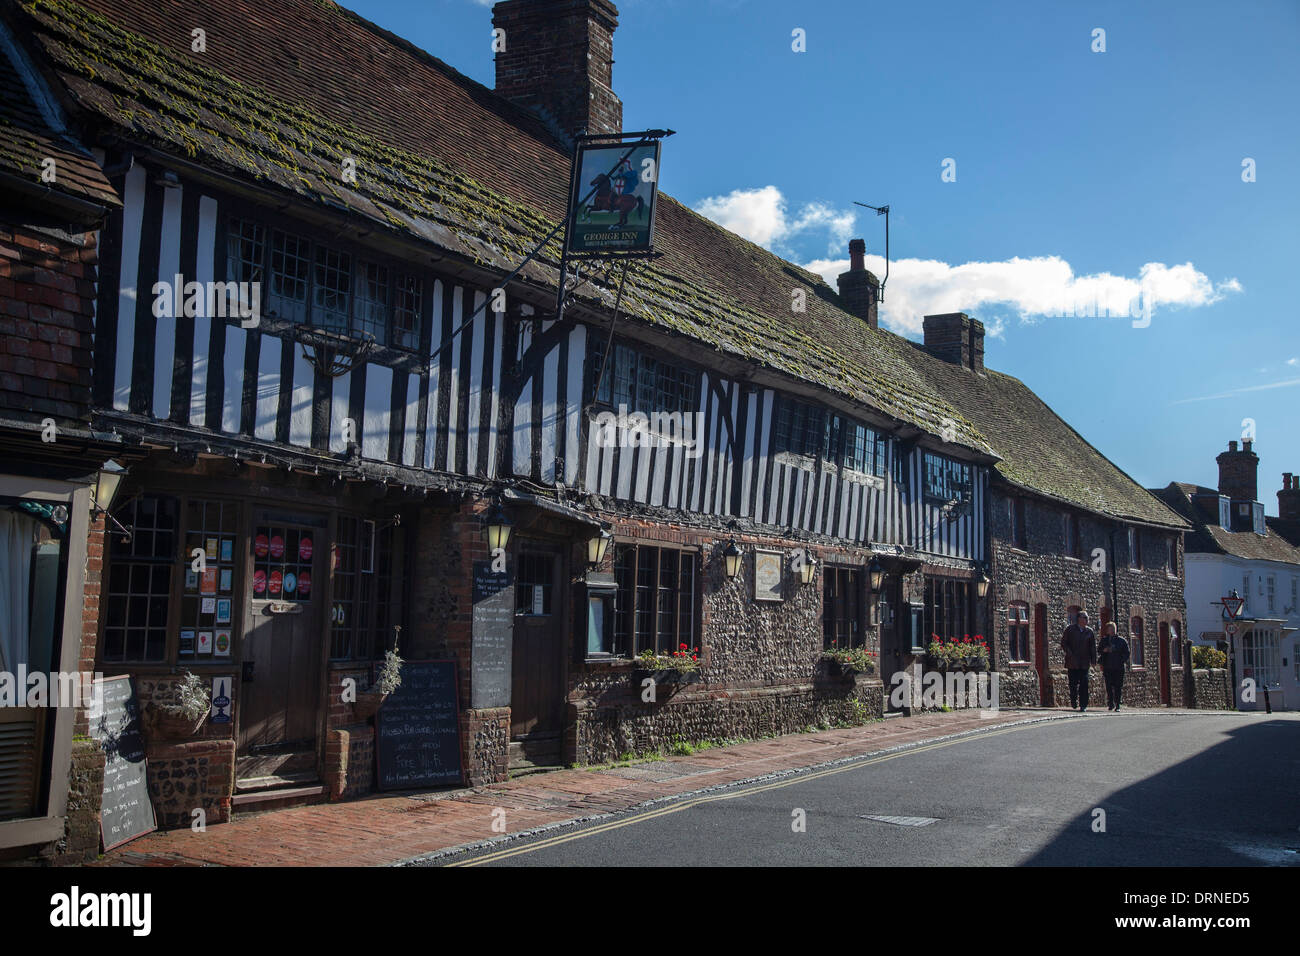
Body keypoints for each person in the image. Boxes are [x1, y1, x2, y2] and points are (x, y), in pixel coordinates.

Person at [1060, 611, 1097, 711]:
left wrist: (1094, 660)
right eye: (1084, 617)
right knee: (1073, 684)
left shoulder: (1089, 632)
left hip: (1084, 662)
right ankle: (1073, 700)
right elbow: (1064, 643)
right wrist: (1069, 653)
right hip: (1072, 662)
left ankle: (1083, 705)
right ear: (1079, 619)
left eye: (1087, 618)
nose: (1086, 620)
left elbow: (1092, 647)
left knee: (1084, 684)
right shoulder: (1070, 629)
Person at [1097, 622, 1130, 710]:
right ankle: (1111, 703)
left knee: (1118, 686)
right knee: (1108, 686)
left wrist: (1120, 660)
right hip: (1108, 666)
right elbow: (1099, 650)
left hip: (1118, 667)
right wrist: (1104, 650)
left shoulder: (1121, 641)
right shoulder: (1104, 640)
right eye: (1110, 629)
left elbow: (1127, 653)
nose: (1112, 631)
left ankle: (1118, 704)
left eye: (1114, 629)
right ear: (1108, 630)